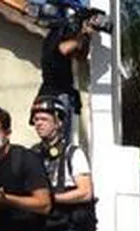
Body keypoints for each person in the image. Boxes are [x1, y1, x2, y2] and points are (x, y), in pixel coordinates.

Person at [28, 95, 94, 231]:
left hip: (66, 225)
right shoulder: (32, 154)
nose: (39, 124)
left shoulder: (74, 153)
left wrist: (53, 198)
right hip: (40, 225)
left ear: (58, 122)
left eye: (44, 119)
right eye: (36, 120)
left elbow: (85, 192)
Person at [38, 9, 93, 145]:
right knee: (55, 137)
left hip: (63, 92)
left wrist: (86, 37)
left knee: (64, 138)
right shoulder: (56, 34)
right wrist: (82, 34)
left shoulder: (66, 38)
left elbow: (81, 56)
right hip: (55, 94)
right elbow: (62, 49)